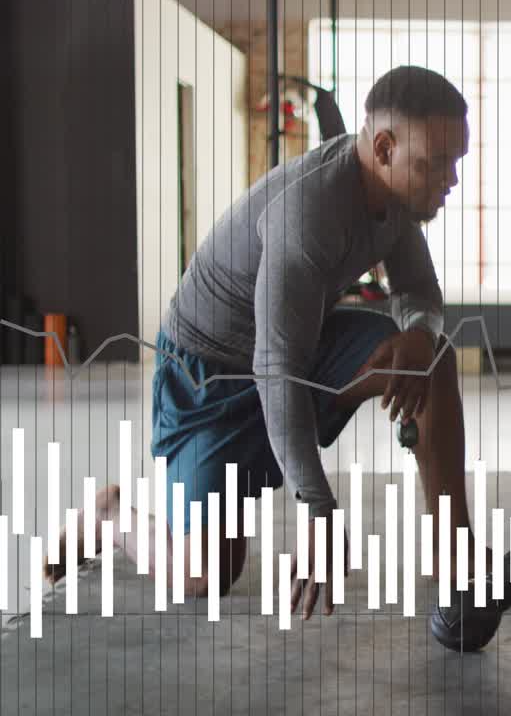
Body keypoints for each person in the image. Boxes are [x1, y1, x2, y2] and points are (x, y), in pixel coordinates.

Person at [46, 65, 475, 620]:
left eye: (455, 161)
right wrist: (319, 510)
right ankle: (110, 515)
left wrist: (419, 331)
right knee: (204, 577)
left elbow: (419, 290)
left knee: (430, 356)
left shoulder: (396, 197)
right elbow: (275, 369)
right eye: (435, 163)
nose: (450, 180)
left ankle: (453, 550)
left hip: (297, 348)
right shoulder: (307, 215)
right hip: (211, 380)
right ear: (385, 147)